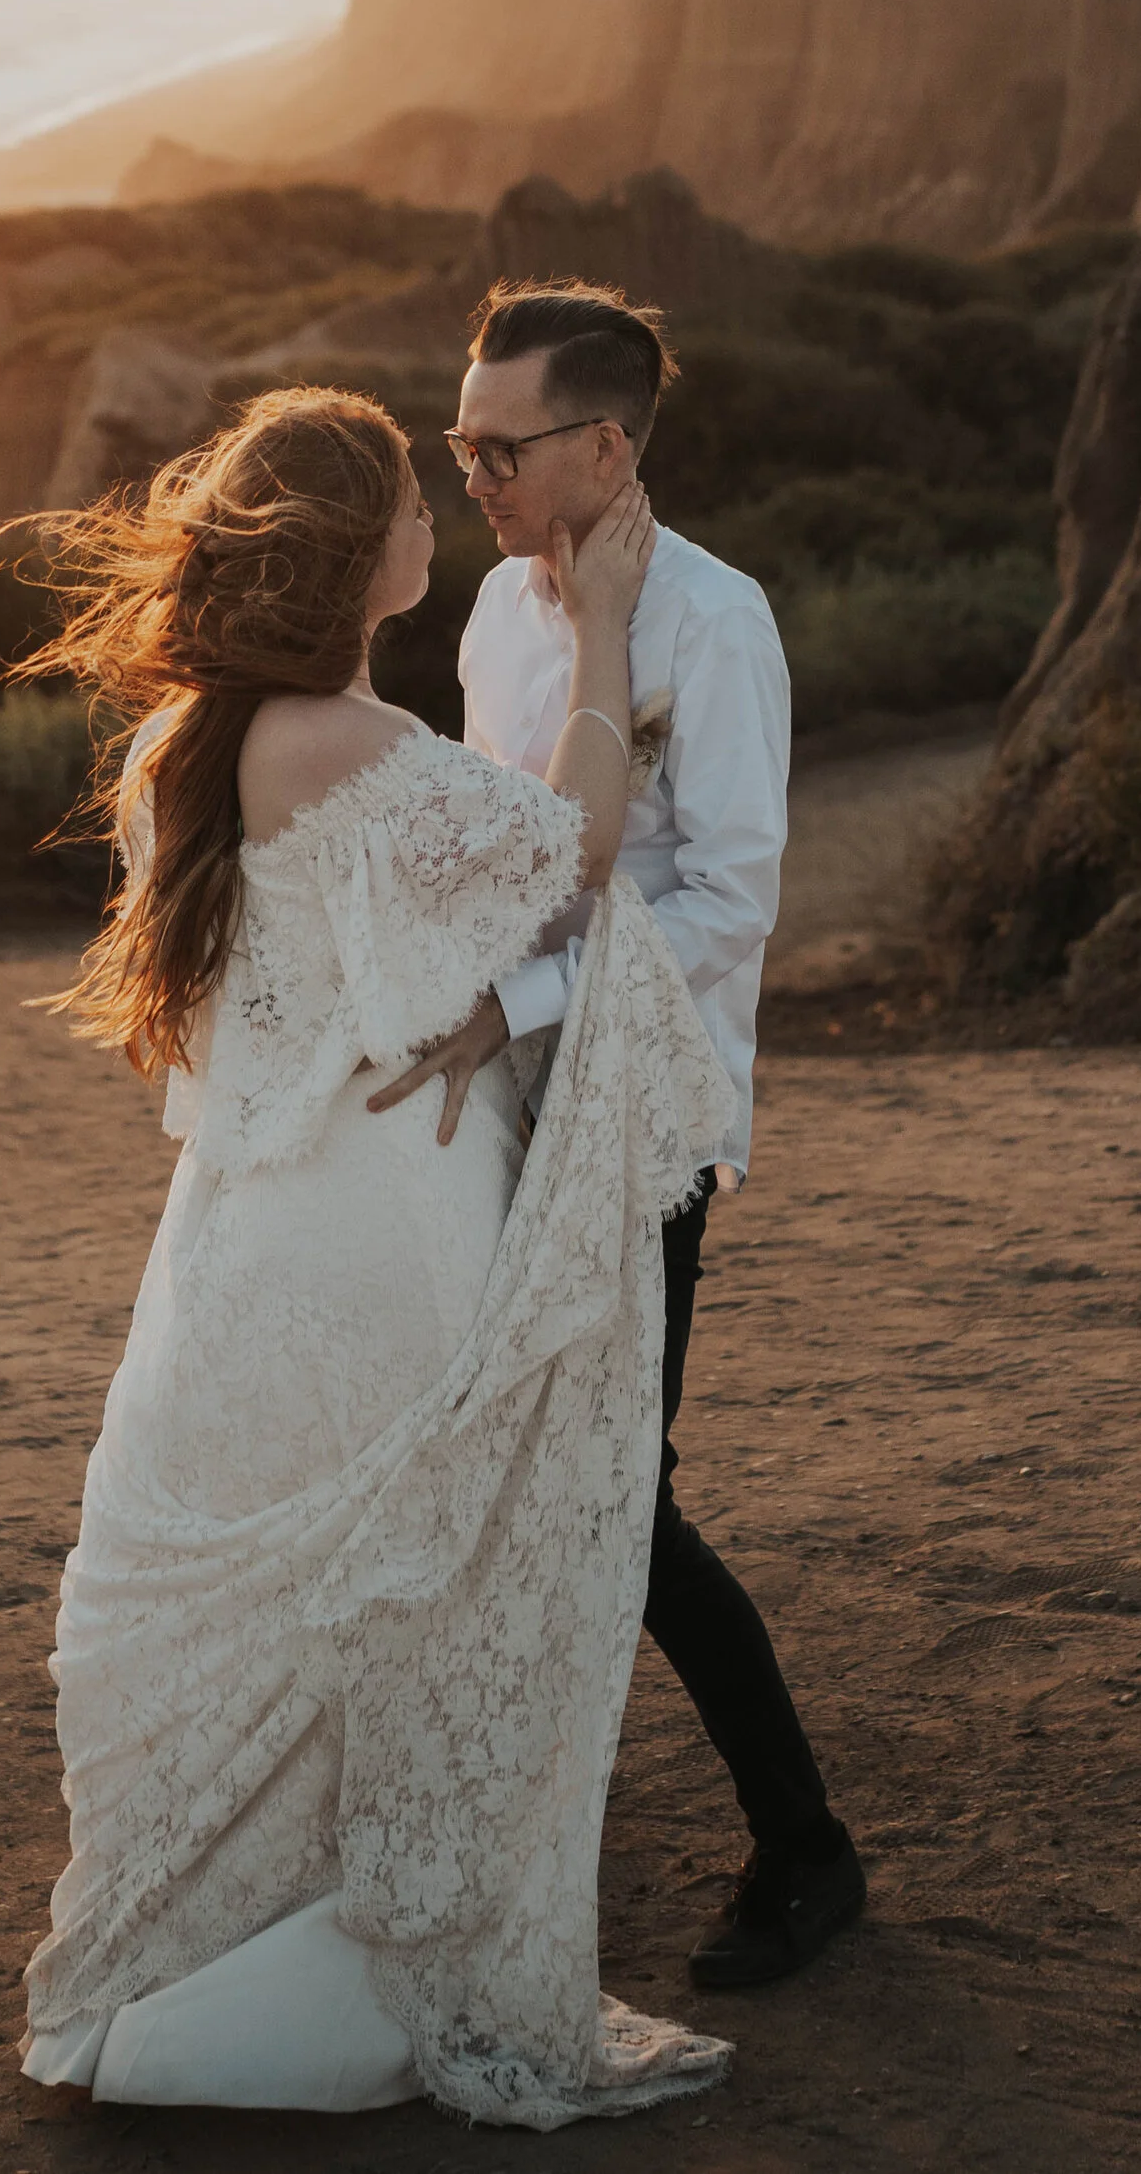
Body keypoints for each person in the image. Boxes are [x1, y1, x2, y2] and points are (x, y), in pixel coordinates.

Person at [11, 385, 735, 2125]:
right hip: (375, 1228)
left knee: (292, 1607)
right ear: (365, 557)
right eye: (415, 493)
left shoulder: (180, 740)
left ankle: (247, 1923)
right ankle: (376, 1951)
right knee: (401, 1584)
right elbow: (571, 856)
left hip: (240, 1242)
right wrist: (610, 628)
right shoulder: (338, 741)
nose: (438, 510)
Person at [397, 279, 867, 1990]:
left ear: (604, 444)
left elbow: (728, 900)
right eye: (459, 444)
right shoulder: (500, 620)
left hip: (640, 1117)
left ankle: (807, 1849)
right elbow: (493, 848)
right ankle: (535, 1816)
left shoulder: (717, 623)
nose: (473, 474)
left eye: (499, 445)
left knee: (621, 1495)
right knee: (521, 1470)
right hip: (498, 1103)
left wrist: (517, 1013)